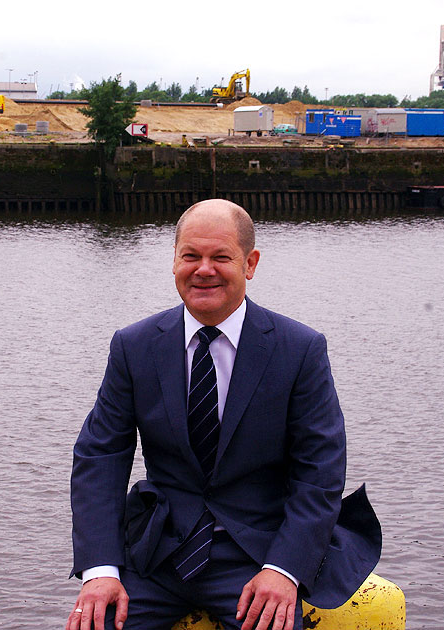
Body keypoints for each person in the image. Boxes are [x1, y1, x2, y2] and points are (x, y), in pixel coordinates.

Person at [67, 199, 381, 630]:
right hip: (157, 554)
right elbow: (100, 457)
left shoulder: (299, 349)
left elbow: (320, 470)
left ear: (250, 264)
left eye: (221, 257)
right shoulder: (134, 345)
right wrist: (100, 570)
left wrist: (284, 570)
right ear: (174, 261)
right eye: (191, 256)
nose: (204, 269)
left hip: (255, 556)